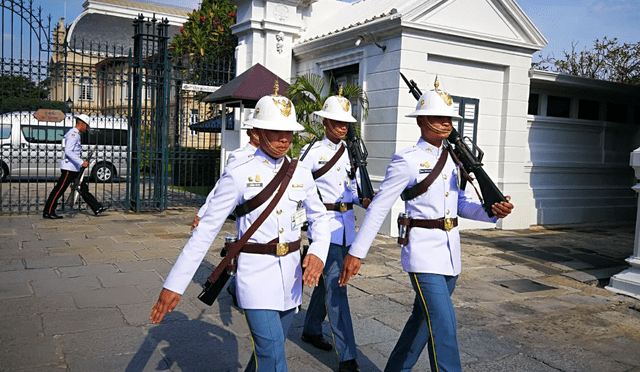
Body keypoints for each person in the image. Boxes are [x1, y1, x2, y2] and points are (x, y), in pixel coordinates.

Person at [339, 77, 514, 372]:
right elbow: (380, 206)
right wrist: (357, 253)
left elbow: (460, 205)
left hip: (450, 254)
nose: (446, 124)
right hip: (422, 253)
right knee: (445, 327)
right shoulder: (407, 160)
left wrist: (493, 212)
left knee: (422, 321)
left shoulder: (453, 159)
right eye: (438, 117)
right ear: (422, 121)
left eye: (449, 119)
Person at [150, 89, 332, 372]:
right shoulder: (239, 172)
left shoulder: (300, 172)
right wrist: (174, 284)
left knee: (267, 355)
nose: (284, 138)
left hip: (291, 276)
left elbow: (320, 217)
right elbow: (205, 231)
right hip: (256, 276)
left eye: (289, 132)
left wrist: (319, 251)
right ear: (258, 131)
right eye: (275, 131)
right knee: (273, 357)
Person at [298, 93, 368, 372]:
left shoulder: (352, 152)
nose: (342, 127)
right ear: (325, 121)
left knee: (329, 284)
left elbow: (351, 186)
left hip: (346, 228)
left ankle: (312, 329)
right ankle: (348, 357)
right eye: (337, 122)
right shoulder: (314, 153)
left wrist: (360, 197)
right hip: (324, 228)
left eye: (346, 123)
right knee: (337, 289)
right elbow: (298, 185)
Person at [190, 123, 260, 231]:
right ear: (249, 132)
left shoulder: (273, 158)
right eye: (256, 130)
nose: (261, 133)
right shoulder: (239, 156)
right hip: (248, 215)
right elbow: (222, 186)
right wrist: (204, 213)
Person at [43, 114, 108, 219]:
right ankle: (48, 211)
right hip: (69, 168)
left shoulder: (75, 134)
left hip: (74, 167)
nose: (86, 128)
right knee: (59, 189)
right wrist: (81, 162)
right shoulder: (73, 134)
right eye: (86, 125)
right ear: (81, 124)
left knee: (83, 188)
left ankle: (96, 207)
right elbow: (68, 151)